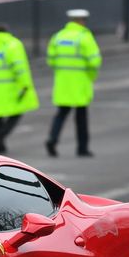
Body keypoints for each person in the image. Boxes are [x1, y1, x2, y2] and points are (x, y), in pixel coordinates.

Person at [45, 9, 102, 157]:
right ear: (81, 20)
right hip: (80, 83)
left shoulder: (58, 36)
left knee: (61, 114)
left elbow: (51, 60)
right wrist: (91, 76)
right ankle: (82, 148)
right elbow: (95, 61)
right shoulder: (84, 37)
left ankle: (52, 139)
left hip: (63, 83)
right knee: (81, 118)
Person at [0, 23, 39, 154]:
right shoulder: (13, 44)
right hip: (9, 87)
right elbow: (19, 67)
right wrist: (25, 84)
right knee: (17, 112)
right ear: (7, 31)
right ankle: (0, 137)